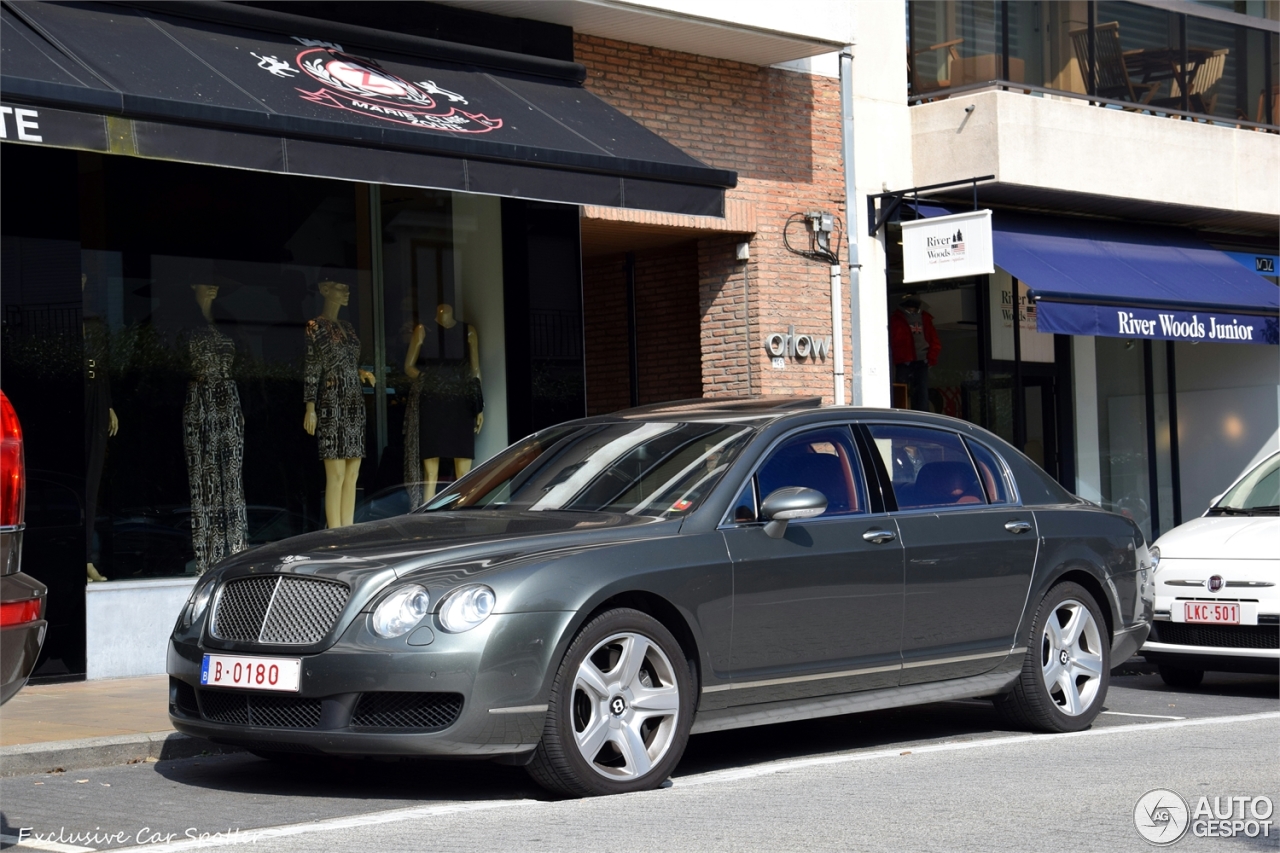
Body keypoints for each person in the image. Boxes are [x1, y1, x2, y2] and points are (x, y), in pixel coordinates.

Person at [889, 294, 941, 411]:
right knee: (902, 390)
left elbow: (933, 340)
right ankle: (901, 413)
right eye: (909, 307)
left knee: (921, 391)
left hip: (921, 359)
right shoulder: (896, 319)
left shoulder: (925, 319)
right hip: (904, 360)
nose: (911, 309)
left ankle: (921, 416)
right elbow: (893, 340)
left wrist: (931, 357)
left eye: (913, 307)